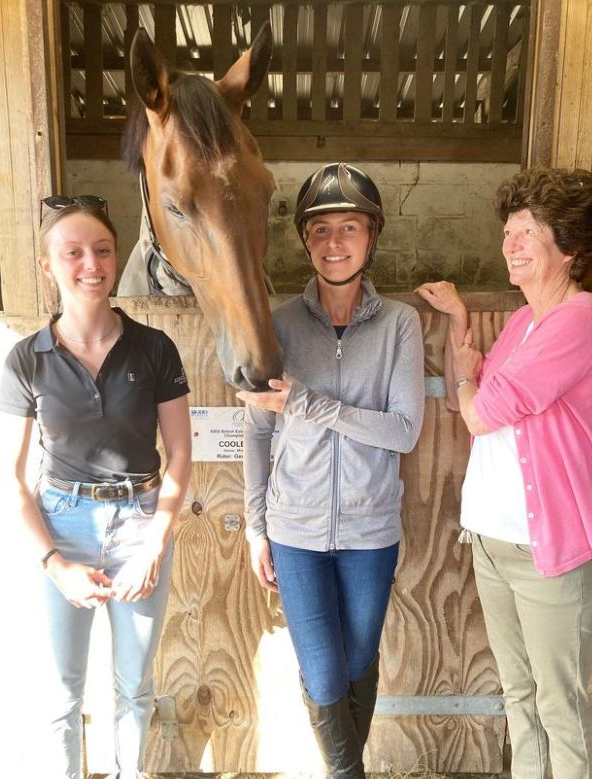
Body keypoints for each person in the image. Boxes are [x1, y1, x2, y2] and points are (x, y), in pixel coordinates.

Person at [416, 167, 592, 779]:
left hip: (550, 554)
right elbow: (466, 397)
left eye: (526, 231)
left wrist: (472, 381)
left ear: (569, 247)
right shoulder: (524, 324)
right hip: (494, 543)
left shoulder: (580, 319)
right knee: (519, 699)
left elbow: (478, 413)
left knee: (560, 704)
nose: (510, 243)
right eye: (508, 230)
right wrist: (458, 324)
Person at [237, 163, 425, 777]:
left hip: (371, 533)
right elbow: (259, 432)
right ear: (304, 240)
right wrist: (255, 527)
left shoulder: (399, 324)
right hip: (296, 531)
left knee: (357, 662)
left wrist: (307, 403)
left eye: (349, 227)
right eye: (320, 229)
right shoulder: (279, 324)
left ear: (372, 238)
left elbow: (402, 429)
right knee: (321, 672)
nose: (334, 242)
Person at [0, 195, 192, 779]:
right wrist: (56, 564)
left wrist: (154, 546)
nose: (91, 263)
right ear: (47, 265)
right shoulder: (25, 360)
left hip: (141, 520)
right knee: (63, 691)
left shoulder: (154, 348)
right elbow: (12, 478)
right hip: (64, 524)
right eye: (73, 252)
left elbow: (180, 453)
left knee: (134, 684)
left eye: (103, 250)